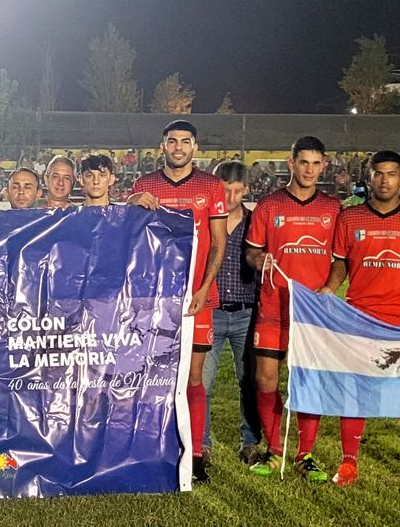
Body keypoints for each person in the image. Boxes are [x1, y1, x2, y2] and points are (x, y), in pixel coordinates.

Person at [317, 150, 400, 490]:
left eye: (392, 174)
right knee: (356, 390)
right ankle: (348, 463)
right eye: (379, 173)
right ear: (370, 177)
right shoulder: (350, 218)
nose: (385, 180)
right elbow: (340, 263)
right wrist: (329, 288)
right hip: (360, 319)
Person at [126, 120, 228, 483]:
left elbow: (218, 242)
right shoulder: (145, 185)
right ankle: (153, 447)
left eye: (185, 141)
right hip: (155, 300)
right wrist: (132, 204)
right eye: (172, 141)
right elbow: (129, 237)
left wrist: (204, 287)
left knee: (193, 378)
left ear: (194, 147)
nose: (179, 147)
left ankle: (195, 453)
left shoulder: (211, 186)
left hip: (196, 298)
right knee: (151, 375)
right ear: (163, 146)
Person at [243, 136, 339, 482]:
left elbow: (342, 259)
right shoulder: (269, 205)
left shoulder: (333, 208)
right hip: (273, 307)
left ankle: (305, 454)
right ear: (291, 163)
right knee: (265, 379)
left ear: (324, 166)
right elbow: (251, 252)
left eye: (316, 163)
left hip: (312, 312)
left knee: (309, 382)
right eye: (303, 162)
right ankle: (274, 449)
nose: (309, 170)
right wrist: (260, 260)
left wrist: (330, 288)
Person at [203, 161, 262, 464]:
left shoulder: (255, 223)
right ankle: (201, 444)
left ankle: (250, 442)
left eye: (237, 191)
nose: (230, 197)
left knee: (249, 380)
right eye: (226, 190)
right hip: (210, 311)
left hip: (245, 312)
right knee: (202, 382)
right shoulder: (204, 220)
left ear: (246, 190)